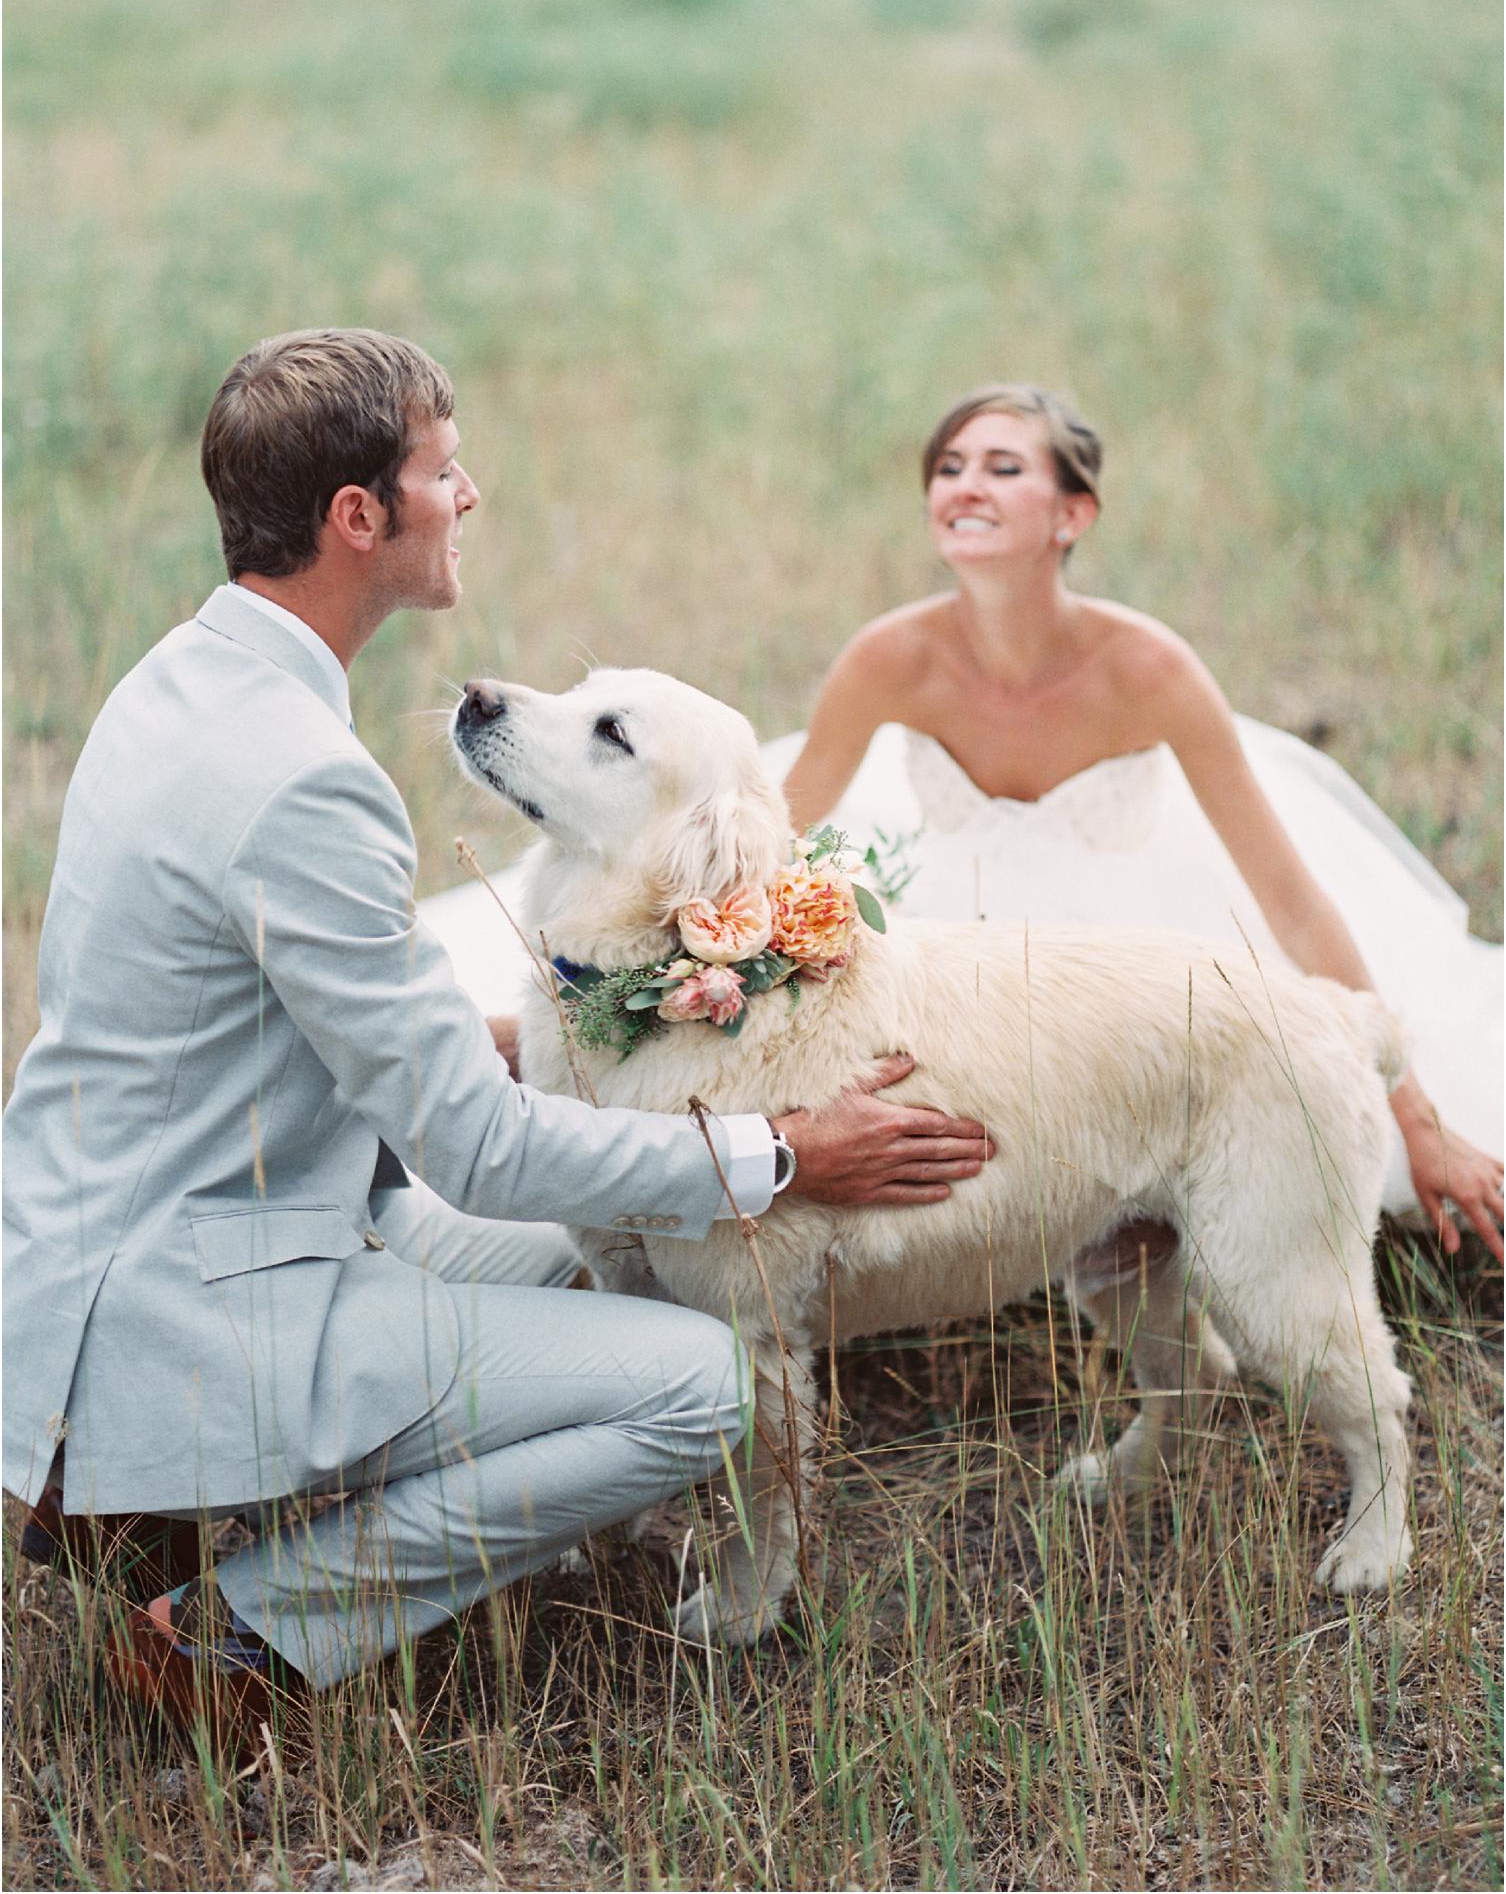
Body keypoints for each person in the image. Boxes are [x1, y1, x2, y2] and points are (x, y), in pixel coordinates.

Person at [2, 330, 992, 1748]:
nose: (469, 494)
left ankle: (163, 1496)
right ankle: (240, 1628)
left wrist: (589, 1027)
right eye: (442, 471)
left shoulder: (181, 681)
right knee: (699, 1384)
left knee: (631, 1273)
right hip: (199, 1301)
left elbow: (279, 1020)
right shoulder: (305, 785)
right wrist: (778, 1149)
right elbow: (476, 1144)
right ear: (360, 518)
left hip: (121, 1245)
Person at [772, 382, 1503, 1262]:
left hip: (1144, 927)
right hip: (965, 925)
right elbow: (780, 850)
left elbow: (1293, 904)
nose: (964, 486)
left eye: (1003, 468)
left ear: (1072, 515)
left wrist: (1415, 1118)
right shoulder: (887, 660)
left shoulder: (1151, 670)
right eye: (948, 468)